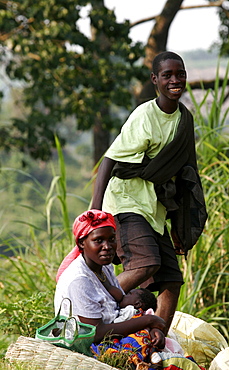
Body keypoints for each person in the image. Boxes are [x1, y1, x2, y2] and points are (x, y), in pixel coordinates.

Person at [91, 51, 207, 336]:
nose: (175, 80)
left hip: (154, 209)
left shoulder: (184, 120)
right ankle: (92, 314)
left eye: (180, 74)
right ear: (155, 80)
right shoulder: (145, 115)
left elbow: (185, 175)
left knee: (171, 280)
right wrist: (95, 210)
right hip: (125, 200)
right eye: (167, 75)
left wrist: (181, 227)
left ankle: (156, 344)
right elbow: (110, 159)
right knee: (146, 263)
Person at [54, 209, 166, 352]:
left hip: (111, 331)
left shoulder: (103, 267)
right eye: (98, 241)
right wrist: (149, 320)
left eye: (112, 239)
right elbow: (95, 334)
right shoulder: (79, 280)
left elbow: (117, 306)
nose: (107, 247)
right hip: (85, 345)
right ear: (82, 243)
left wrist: (148, 328)